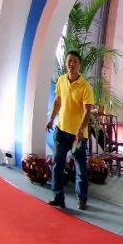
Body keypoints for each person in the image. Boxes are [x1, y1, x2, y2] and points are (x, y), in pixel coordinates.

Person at [46, 50, 94, 210]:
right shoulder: (61, 80)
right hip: (61, 130)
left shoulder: (85, 87)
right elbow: (58, 101)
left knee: (80, 168)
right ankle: (58, 196)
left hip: (78, 135)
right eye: (69, 61)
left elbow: (87, 111)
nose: (71, 64)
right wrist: (51, 119)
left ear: (79, 65)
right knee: (57, 163)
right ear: (66, 63)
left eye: (75, 61)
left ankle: (82, 198)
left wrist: (81, 129)